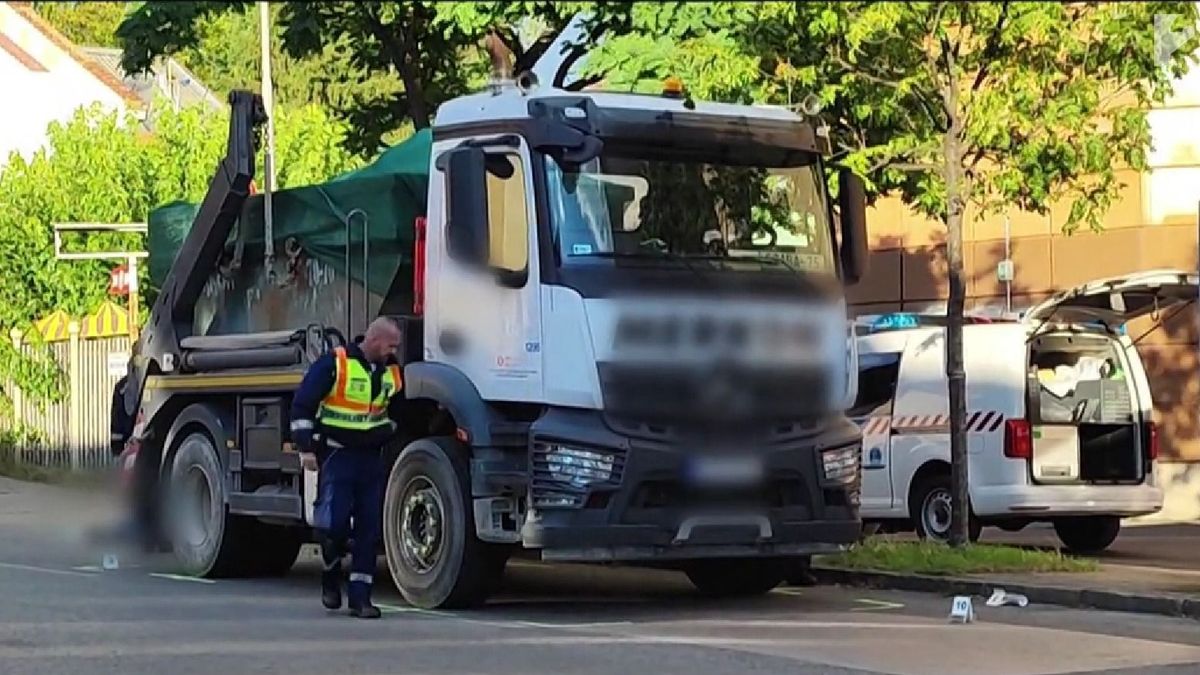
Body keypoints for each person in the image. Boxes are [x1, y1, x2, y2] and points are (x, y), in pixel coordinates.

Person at [290, 317, 405, 619]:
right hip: (338, 456)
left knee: (368, 530)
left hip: (370, 458)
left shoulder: (392, 370)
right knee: (334, 525)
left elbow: (399, 409)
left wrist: (391, 432)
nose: (394, 351)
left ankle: (360, 599)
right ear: (376, 340)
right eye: (391, 345)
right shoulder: (335, 364)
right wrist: (306, 449)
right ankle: (330, 575)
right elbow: (303, 405)